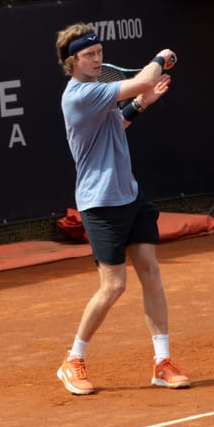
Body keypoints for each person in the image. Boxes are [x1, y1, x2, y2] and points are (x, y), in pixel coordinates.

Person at [54, 22, 191, 395]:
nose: (97, 60)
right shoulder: (79, 95)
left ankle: (162, 362)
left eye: (99, 53)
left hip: (129, 195)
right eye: (89, 55)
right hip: (100, 204)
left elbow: (117, 123)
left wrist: (140, 105)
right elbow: (146, 79)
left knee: (150, 271)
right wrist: (161, 58)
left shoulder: (97, 92)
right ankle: (73, 359)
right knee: (114, 286)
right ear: (72, 62)